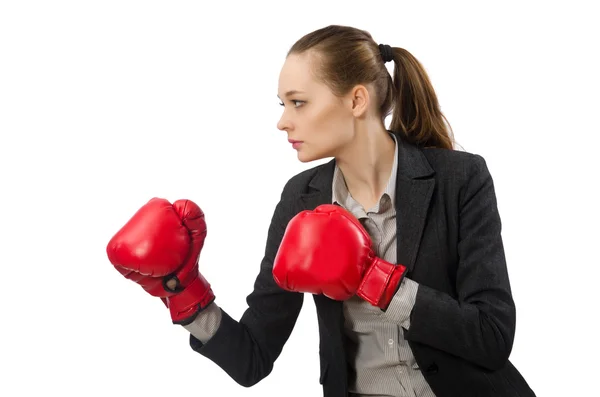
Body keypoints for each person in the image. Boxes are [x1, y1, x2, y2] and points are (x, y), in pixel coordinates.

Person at [106, 25, 537, 397]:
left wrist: (377, 282)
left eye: (299, 102)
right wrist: (184, 293)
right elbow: (253, 358)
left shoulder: (459, 178)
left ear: (356, 101)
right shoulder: (301, 198)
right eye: (283, 105)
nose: (283, 122)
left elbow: (493, 336)